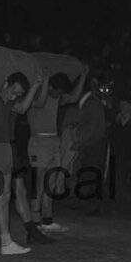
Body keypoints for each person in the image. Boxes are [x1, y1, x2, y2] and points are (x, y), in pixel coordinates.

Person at [0, 72, 38, 260]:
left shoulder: (10, 102)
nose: (14, 95)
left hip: (5, 150)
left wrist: (35, 86)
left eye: (18, 93)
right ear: (5, 83)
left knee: (5, 196)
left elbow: (23, 107)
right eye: (13, 91)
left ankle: (6, 242)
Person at [22, 69, 87, 240]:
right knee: (38, 184)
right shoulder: (34, 97)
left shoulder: (56, 96)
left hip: (53, 142)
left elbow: (73, 98)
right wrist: (44, 80)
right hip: (38, 142)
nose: (59, 94)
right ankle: (35, 224)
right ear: (49, 85)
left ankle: (47, 220)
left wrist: (83, 77)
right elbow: (41, 102)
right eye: (57, 90)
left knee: (49, 183)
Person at [72, 74, 110, 215]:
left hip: (94, 144)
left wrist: (80, 142)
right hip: (92, 143)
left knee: (93, 173)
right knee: (90, 173)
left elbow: (93, 128)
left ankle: (96, 204)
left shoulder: (91, 103)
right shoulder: (88, 102)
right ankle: (90, 203)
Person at [108, 93, 131, 206]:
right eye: (121, 105)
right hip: (119, 153)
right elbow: (112, 136)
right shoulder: (117, 121)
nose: (122, 107)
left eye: (125, 104)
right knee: (119, 176)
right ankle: (119, 199)